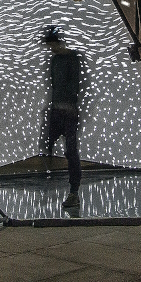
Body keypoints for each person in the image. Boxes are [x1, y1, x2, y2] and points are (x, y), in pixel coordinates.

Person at [43, 25, 81, 208]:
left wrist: (68, 105)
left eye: (52, 45)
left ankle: (74, 192)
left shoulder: (71, 58)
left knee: (71, 151)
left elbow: (73, 84)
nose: (51, 49)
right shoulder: (56, 60)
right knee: (50, 144)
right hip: (58, 110)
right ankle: (63, 187)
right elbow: (55, 84)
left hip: (68, 111)